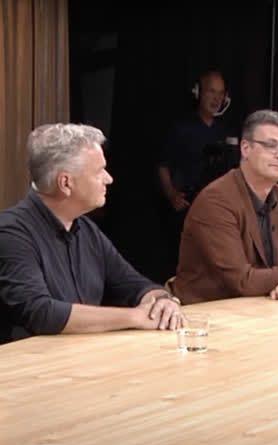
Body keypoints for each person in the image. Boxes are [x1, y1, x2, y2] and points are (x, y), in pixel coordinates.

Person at [0, 124, 184, 344]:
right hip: (30, 362)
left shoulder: (86, 230)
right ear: (66, 183)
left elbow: (134, 284)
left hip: (82, 357)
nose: (109, 179)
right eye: (99, 172)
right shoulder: (11, 233)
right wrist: (135, 317)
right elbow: (40, 313)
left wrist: (163, 301)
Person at [173, 109, 278, 304]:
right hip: (207, 313)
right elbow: (242, 281)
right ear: (245, 148)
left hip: (266, 310)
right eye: (271, 146)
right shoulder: (215, 200)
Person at [157, 70, 235, 279]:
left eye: (221, 93)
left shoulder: (226, 130)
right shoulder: (181, 127)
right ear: (198, 92)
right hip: (188, 204)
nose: (216, 98)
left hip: (219, 206)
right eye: (211, 91)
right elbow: (163, 165)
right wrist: (171, 194)